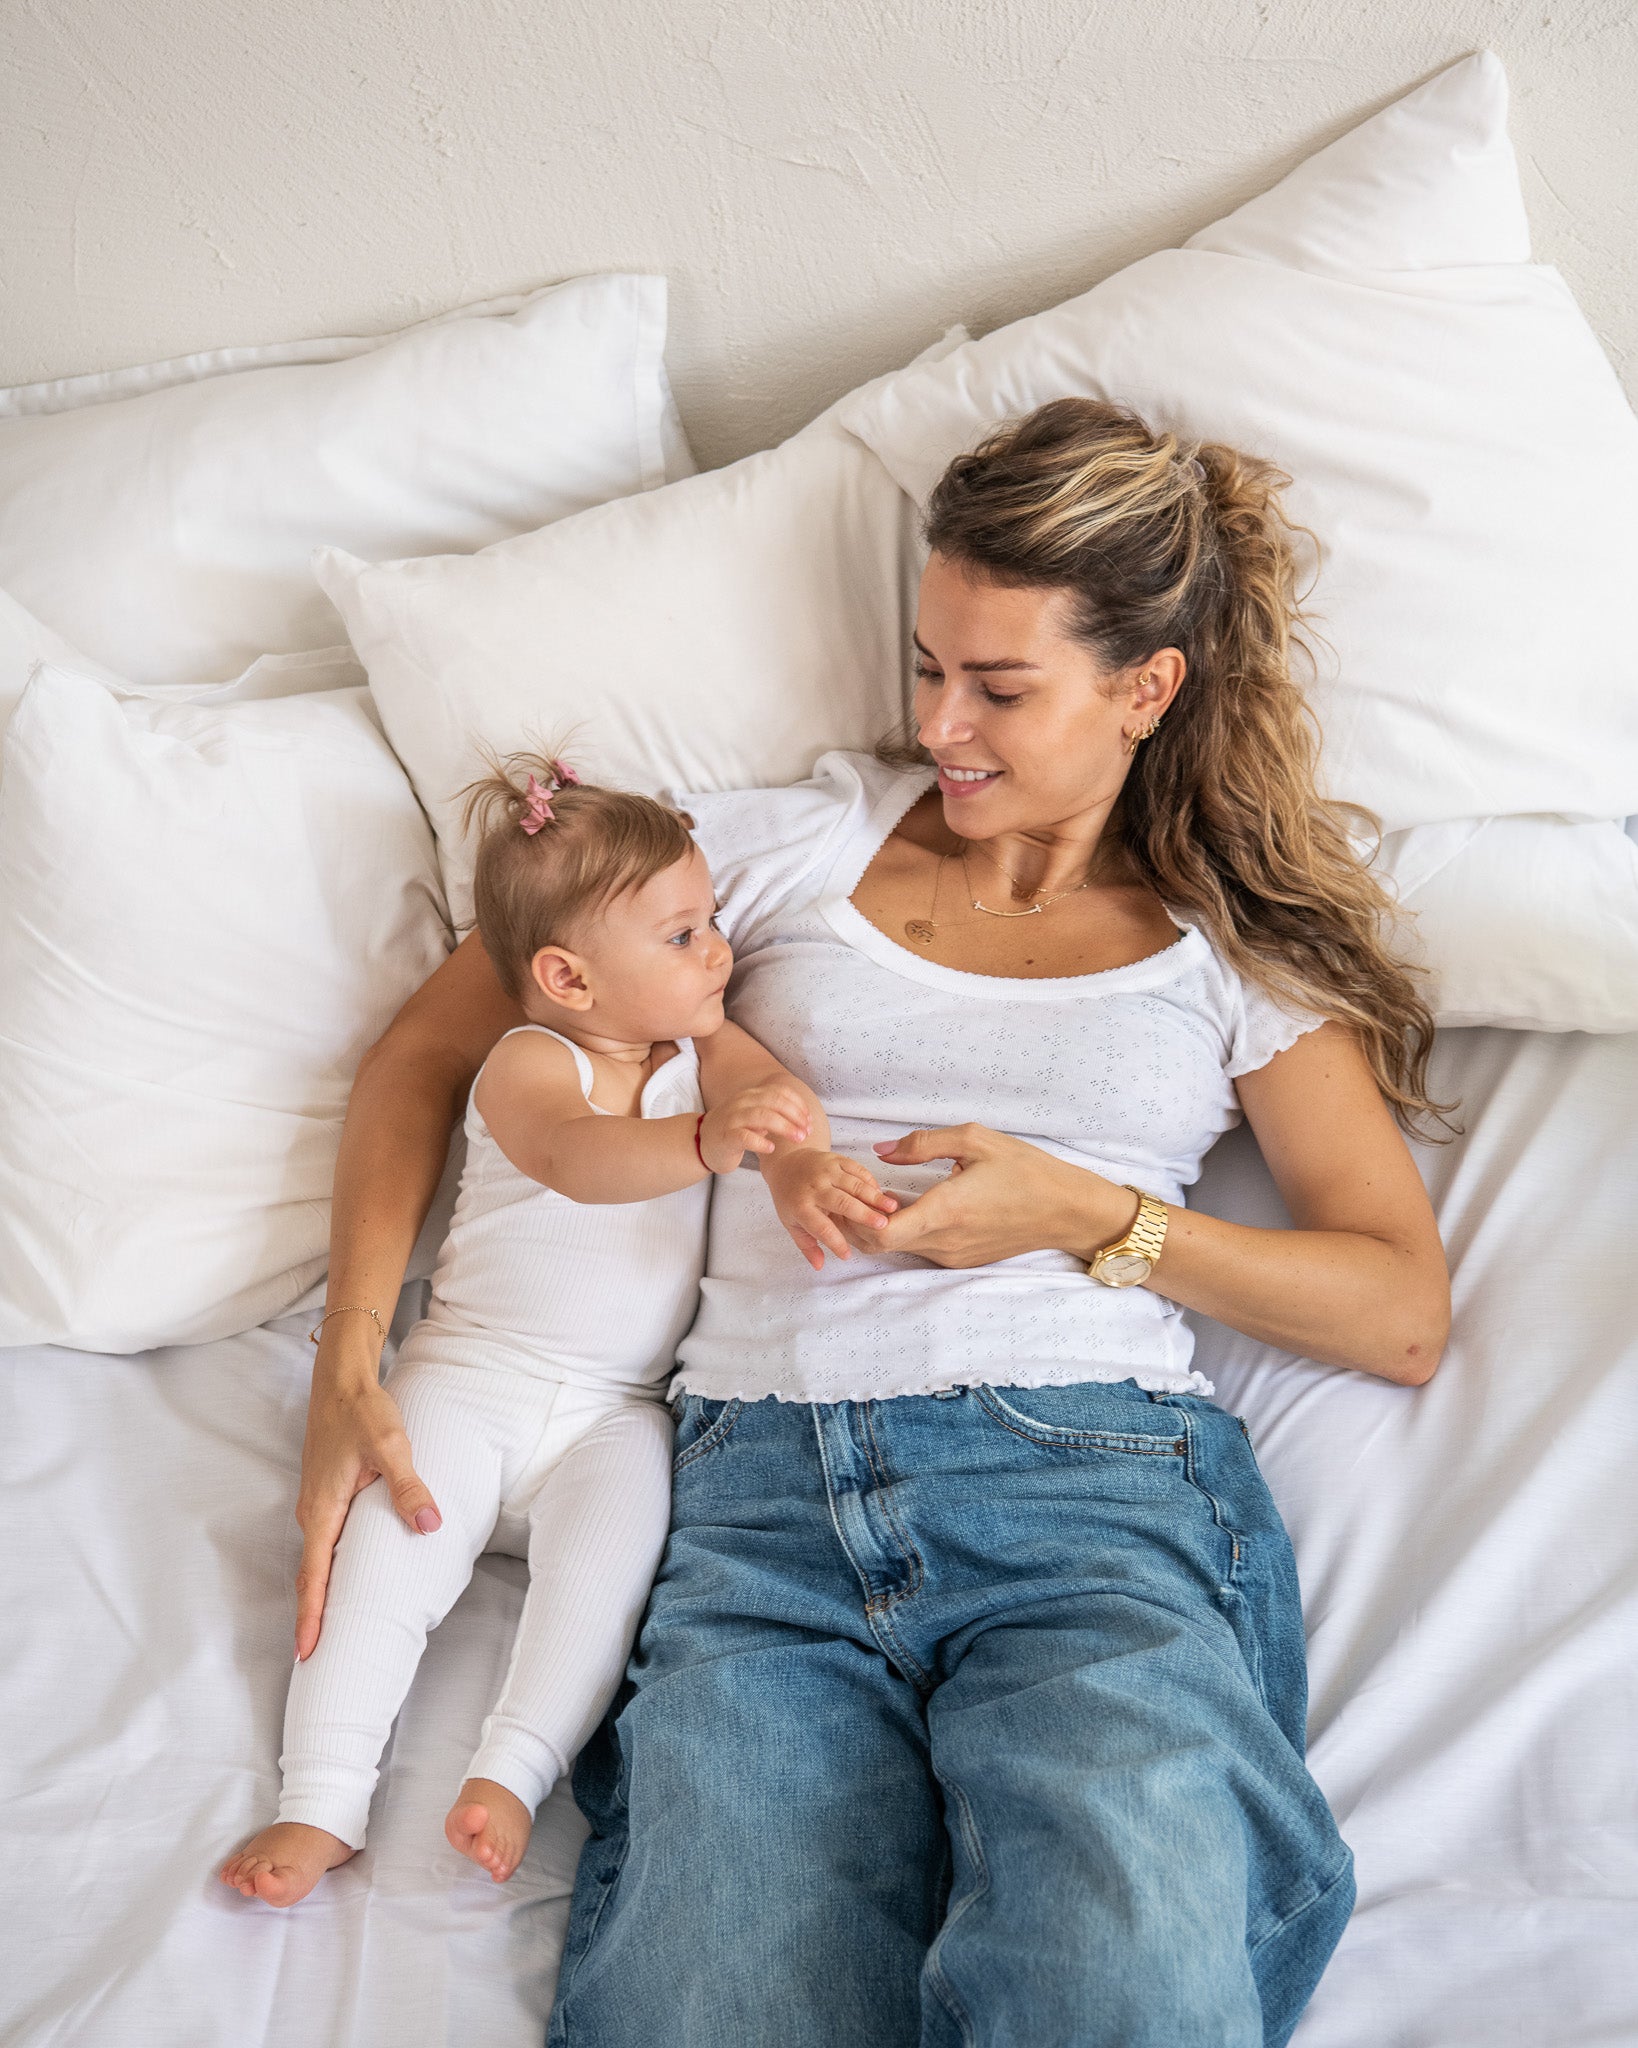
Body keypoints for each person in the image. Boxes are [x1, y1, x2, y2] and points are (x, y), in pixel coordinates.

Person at [293, 399, 1451, 2046]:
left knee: (1115, 1973)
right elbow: (430, 1054)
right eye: (924, 667)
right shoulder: (765, 854)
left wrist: (1091, 1214)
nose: (938, 724)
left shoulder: (1222, 947)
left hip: (1082, 1493)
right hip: (753, 1500)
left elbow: (1396, 1309)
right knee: (713, 2000)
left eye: (997, 688)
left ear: (1145, 686)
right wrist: (353, 1359)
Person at [221, 760, 881, 1909]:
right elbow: (580, 1159)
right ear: (568, 977)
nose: (718, 949)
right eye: (682, 934)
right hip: (472, 1373)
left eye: (713, 918)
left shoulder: (703, 1054)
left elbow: (777, 1102)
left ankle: (514, 1769)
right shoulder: (532, 1063)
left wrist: (797, 1159)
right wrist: (709, 1142)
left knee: (605, 1581)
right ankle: (320, 1797)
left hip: (616, 1412)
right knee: (384, 1561)